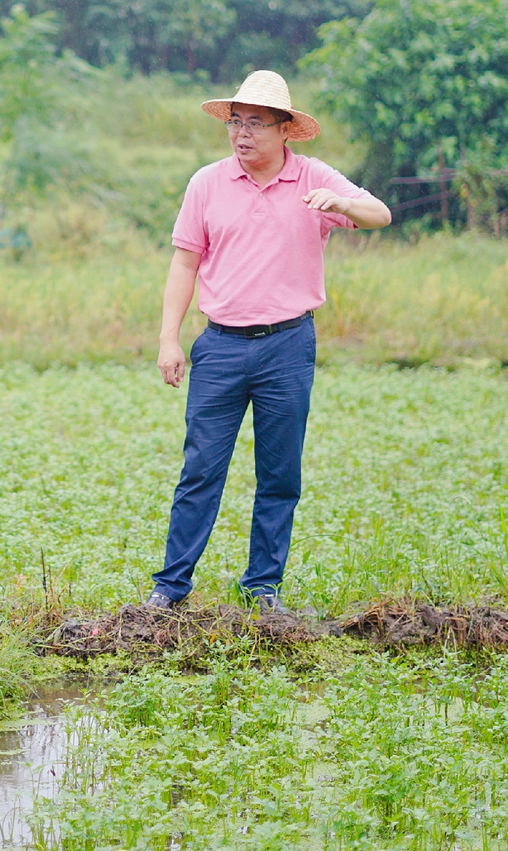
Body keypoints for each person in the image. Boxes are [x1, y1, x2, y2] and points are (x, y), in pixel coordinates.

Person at [145, 70, 391, 615]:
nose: (243, 133)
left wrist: (341, 205)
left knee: (280, 473)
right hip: (221, 347)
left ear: (286, 130)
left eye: (256, 123)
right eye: (236, 122)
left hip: (288, 346)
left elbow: (381, 214)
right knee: (201, 468)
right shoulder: (206, 183)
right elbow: (184, 262)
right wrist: (169, 339)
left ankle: (262, 587)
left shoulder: (312, 179)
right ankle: (170, 588)